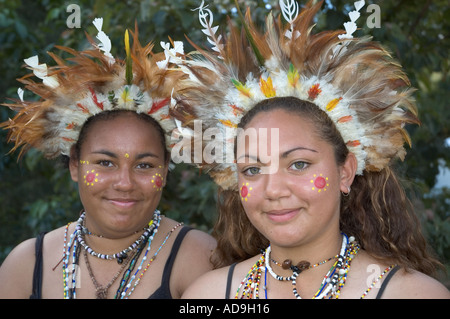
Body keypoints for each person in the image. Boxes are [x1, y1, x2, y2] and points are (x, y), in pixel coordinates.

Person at [171, 0, 450, 298]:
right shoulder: (207, 295)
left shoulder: (413, 294)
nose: (273, 190)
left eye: (299, 164)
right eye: (252, 170)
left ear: (345, 172)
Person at [0, 19, 215, 299]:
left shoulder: (198, 258)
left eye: (144, 165)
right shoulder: (27, 264)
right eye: (105, 162)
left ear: (165, 169)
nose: (124, 183)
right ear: (75, 164)